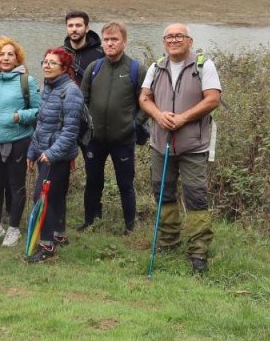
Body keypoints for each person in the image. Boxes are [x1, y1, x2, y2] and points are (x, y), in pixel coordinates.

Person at [139, 23, 222, 274]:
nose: (174, 40)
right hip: (161, 143)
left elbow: (213, 99)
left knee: (196, 196)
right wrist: (158, 114)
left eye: (179, 36)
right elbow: (144, 98)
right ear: (164, 42)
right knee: (163, 192)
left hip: (193, 145)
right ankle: (168, 241)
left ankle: (198, 252)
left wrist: (184, 118)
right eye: (169, 37)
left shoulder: (203, 65)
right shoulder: (156, 66)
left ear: (189, 40)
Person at [79, 21, 147, 235]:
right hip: (95, 140)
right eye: (106, 39)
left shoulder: (136, 69)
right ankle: (90, 221)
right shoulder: (94, 68)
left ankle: (129, 226)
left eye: (114, 39)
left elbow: (146, 103)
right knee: (92, 182)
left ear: (124, 42)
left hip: (123, 140)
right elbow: (82, 101)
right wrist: (87, 127)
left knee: (125, 184)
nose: (109, 43)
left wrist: (133, 125)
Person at [0, 37, 40, 247]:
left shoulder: (26, 81)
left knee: (15, 185)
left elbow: (38, 111)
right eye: (2, 54)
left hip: (18, 141)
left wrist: (19, 117)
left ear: (17, 57)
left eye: (10, 54)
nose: (5, 58)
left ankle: (13, 229)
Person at [25, 48, 85, 263]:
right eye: (45, 61)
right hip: (43, 153)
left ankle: (47, 246)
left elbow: (70, 131)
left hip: (55, 157)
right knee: (56, 196)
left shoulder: (71, 92)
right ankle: (59, 234)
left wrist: (52, 153)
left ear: (65, 68)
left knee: (43, 198)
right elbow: (42, 125)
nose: (46, 65)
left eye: (52, 63)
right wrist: (32, 150)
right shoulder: (49, 88)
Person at [63, 10, 104, 86]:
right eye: (70, 26)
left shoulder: (101, 54)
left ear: (87, 28)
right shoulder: (59, 53)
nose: (74, 29)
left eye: (78, 25)